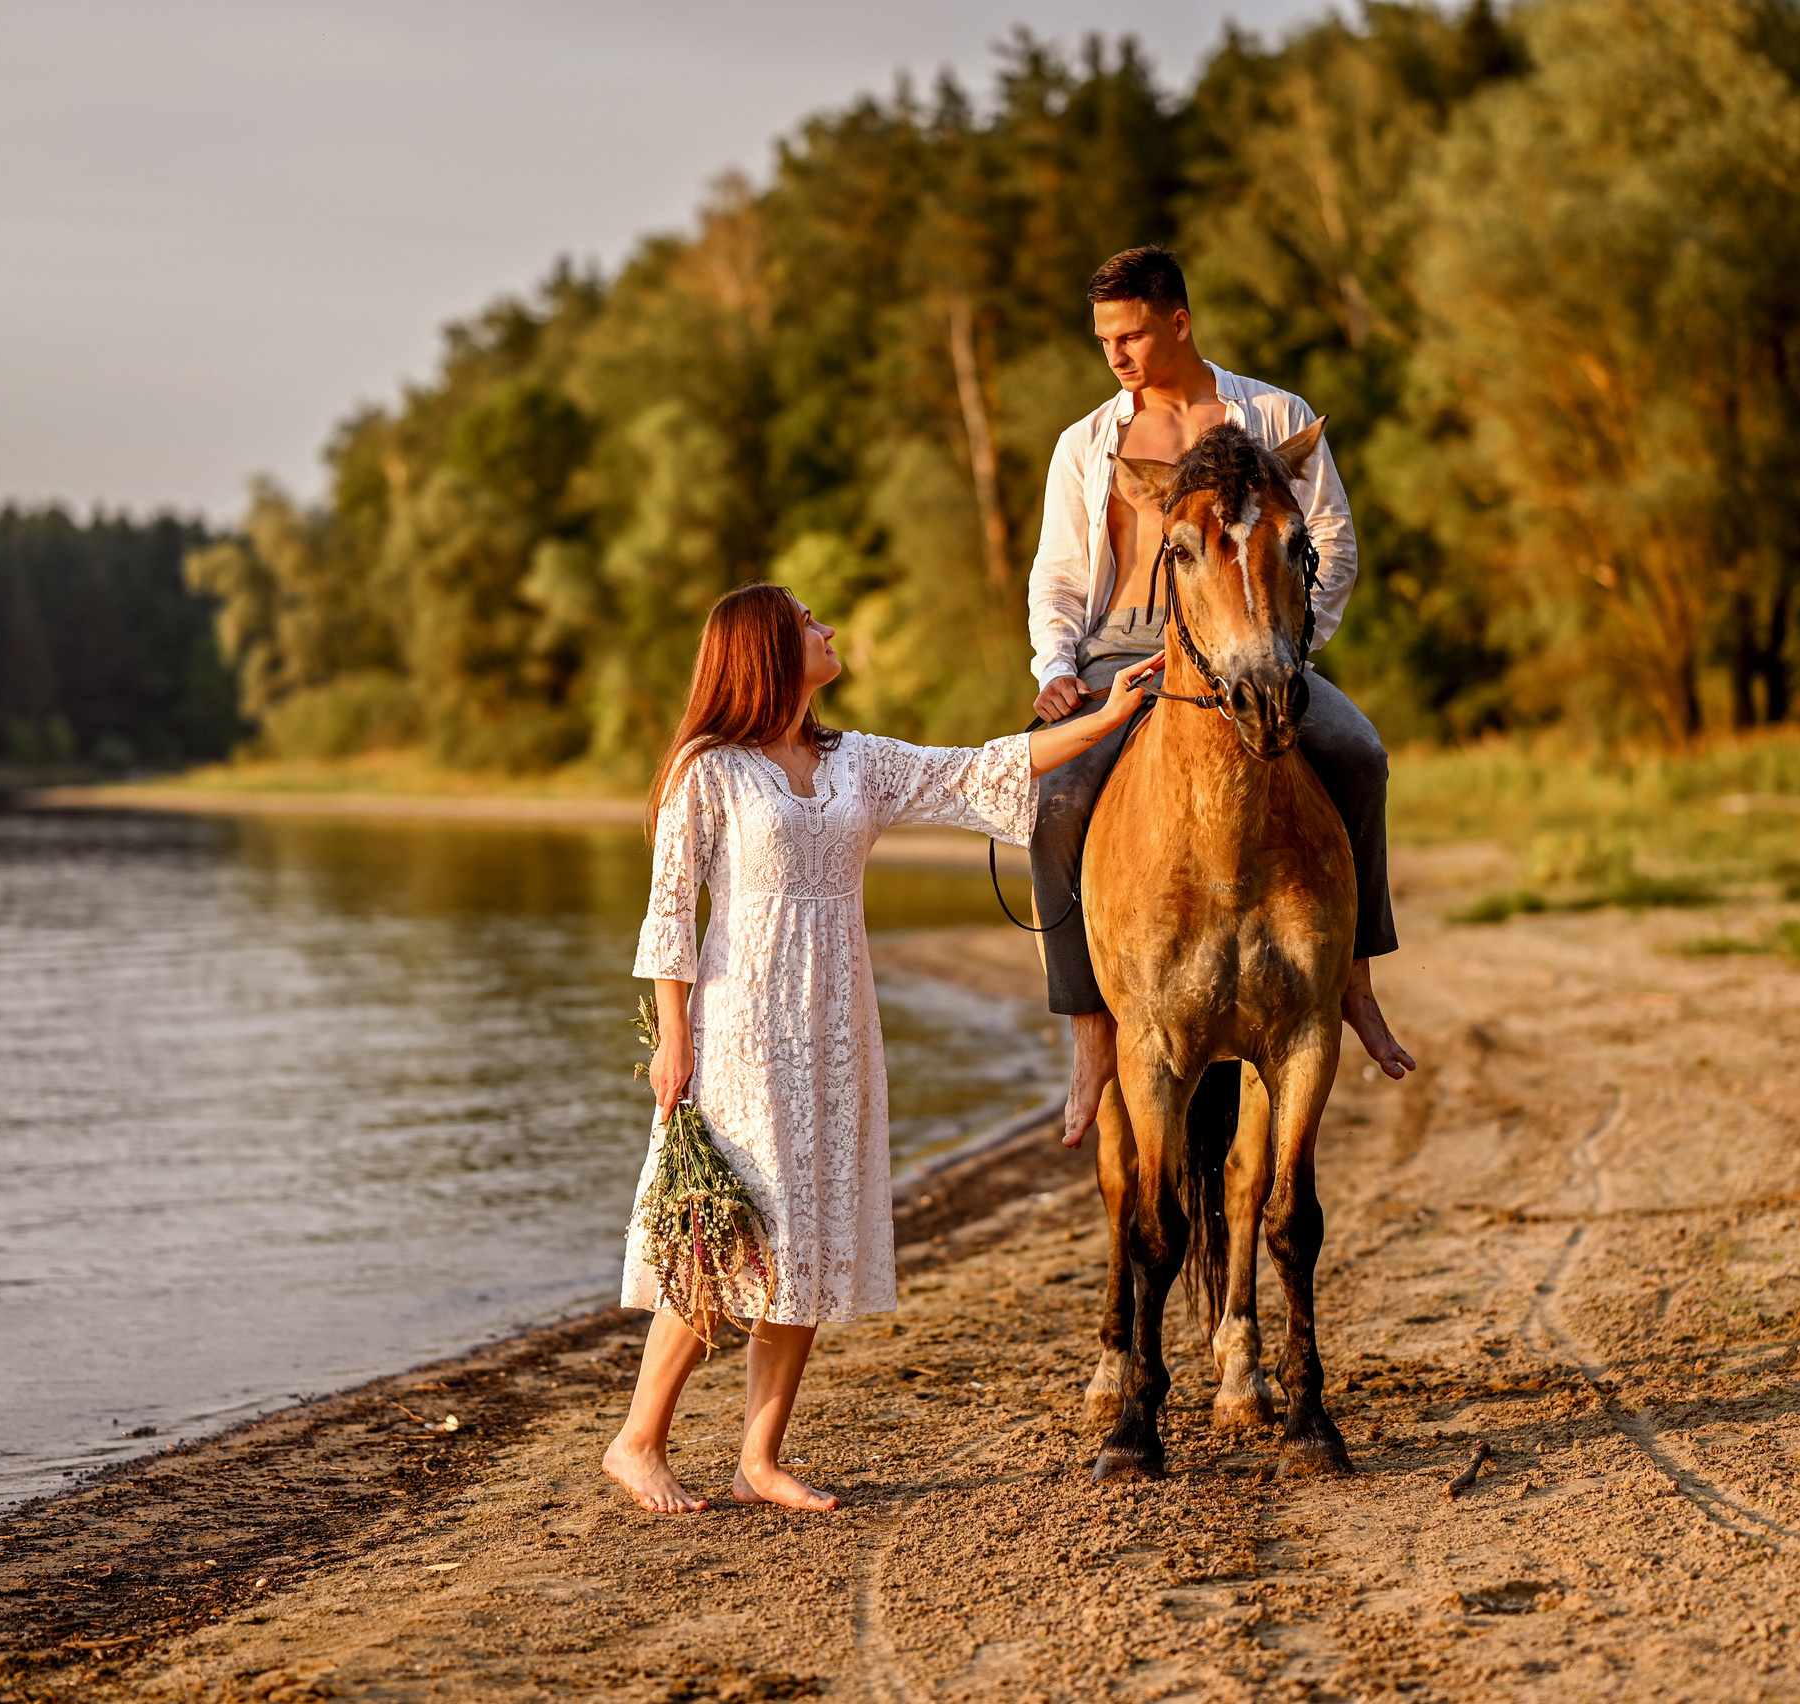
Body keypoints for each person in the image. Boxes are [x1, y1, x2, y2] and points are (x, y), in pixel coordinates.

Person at [603, 582, 1164, 1514]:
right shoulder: (709, 769)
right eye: (808, 624)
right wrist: (673, 1043)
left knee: (809, 1229)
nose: (825, 632)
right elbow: (668, 914)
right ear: (769, 653)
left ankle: (759, 1459)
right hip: (739, 1026)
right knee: (721, 1231)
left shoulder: (856, 760)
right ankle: (638, 1439)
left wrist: (1114, 713)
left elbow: (986, 768)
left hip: (837, 1024)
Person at [1026, 246, 1417, 1148]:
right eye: (1104, 340)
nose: (1116, 354)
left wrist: (1285, 649)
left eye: (1130, 334)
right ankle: (1091, 1034)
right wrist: (1056, 668)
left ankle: (1354, 980)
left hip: (1259, 646)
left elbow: (1333, 544)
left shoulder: (1273, 416)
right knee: (1053, 802)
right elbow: (1056, 576)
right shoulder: (1088, 444)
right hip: (1121, 653)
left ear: (1179, 322)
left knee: (1359, 756)